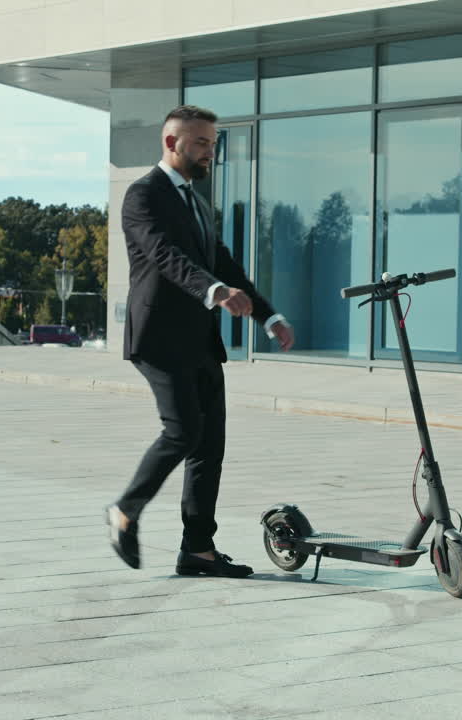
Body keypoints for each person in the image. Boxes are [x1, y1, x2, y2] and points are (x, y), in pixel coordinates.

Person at [107, 105, 295, 578]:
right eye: (200, 143)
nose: (210, 151)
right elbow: (165, 256)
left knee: (209, 445)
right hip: (159, 338)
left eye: (213, 143)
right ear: (172, 143)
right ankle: (125, 510)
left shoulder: (196, 199)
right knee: (183, 431)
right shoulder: (143, 195)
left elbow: (224, 263)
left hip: (200, 339)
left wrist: (268, 316)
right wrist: (214, 292)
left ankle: (198, 549)